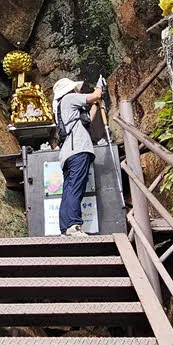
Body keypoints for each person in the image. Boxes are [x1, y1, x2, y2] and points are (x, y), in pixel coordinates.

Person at [51, 75, 106, 237]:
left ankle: (65, 228)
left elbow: (88, 119)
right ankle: (74, 225)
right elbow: (95, 95)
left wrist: (96, 104)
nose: (77, 91)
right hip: (78, 150)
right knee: (75, 188)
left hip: (68, 153)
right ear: (69, 89)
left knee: (69, 189)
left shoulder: (62, 107)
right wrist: (99, 86)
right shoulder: (69, 98)